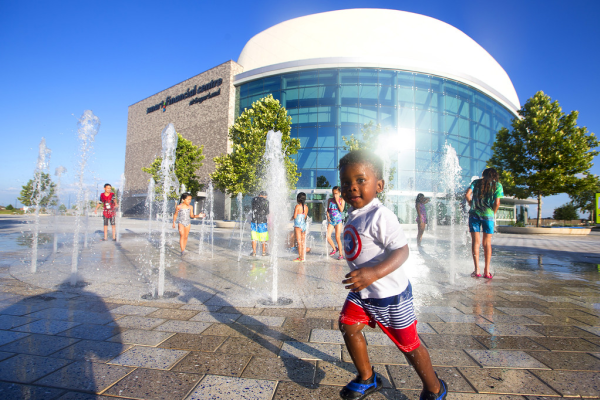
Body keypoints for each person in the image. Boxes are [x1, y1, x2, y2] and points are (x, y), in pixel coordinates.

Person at [337, 150, 447, 400]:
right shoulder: (353, 215)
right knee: (348, 326)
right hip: (363, 293)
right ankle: (367, 377)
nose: (352, 187)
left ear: (379, 185)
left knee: (408, 345)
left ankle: (435, 388)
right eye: (346, 183)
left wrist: (374, 272)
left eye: (360, 180)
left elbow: (402, 250)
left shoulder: (380, 215)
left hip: (390, 296)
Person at [465, 168, 503, 279]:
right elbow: (497, 202)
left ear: (483, 174)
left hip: (474, 214)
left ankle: (477, 270)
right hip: (488, 215)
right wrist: (493, 212)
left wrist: (472, 204)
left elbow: (467, 195)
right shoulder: (497, 185)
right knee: (487, 243)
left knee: (475, 242)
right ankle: (487, 271)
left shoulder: (476, 182)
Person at [326, 186, 346, 260]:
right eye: (333, 193)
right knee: (327, 236)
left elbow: (341, 210)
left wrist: (337, 201)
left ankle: (341, 254)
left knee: (337, 237)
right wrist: (327, 215)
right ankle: (335, 248)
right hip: (331, 221)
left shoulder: (342, 200)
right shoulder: (329, 200)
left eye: (336, 193)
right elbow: (328, 209)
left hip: (338, 221)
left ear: (340, 193)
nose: (335, 195)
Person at [250, 191, 269, 257]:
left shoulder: (253, 199)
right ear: (264, 196)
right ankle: (263, 252)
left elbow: (252, 209)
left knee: (254, 237)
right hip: (262, 221)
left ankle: (254, 252)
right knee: (263, 237)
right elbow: (267, 212)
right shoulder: (266, 201)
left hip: (254, 220)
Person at [292, 192, 309, 262]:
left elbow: (295, 216)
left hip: (298, 226)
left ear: (298, 199)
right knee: (303, 242)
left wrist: (292, 217)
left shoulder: (297, 206)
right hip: (303, 225)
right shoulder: (306, 207)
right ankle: (303, 256)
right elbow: (305, 217)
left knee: (299, 242)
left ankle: (300, 257)